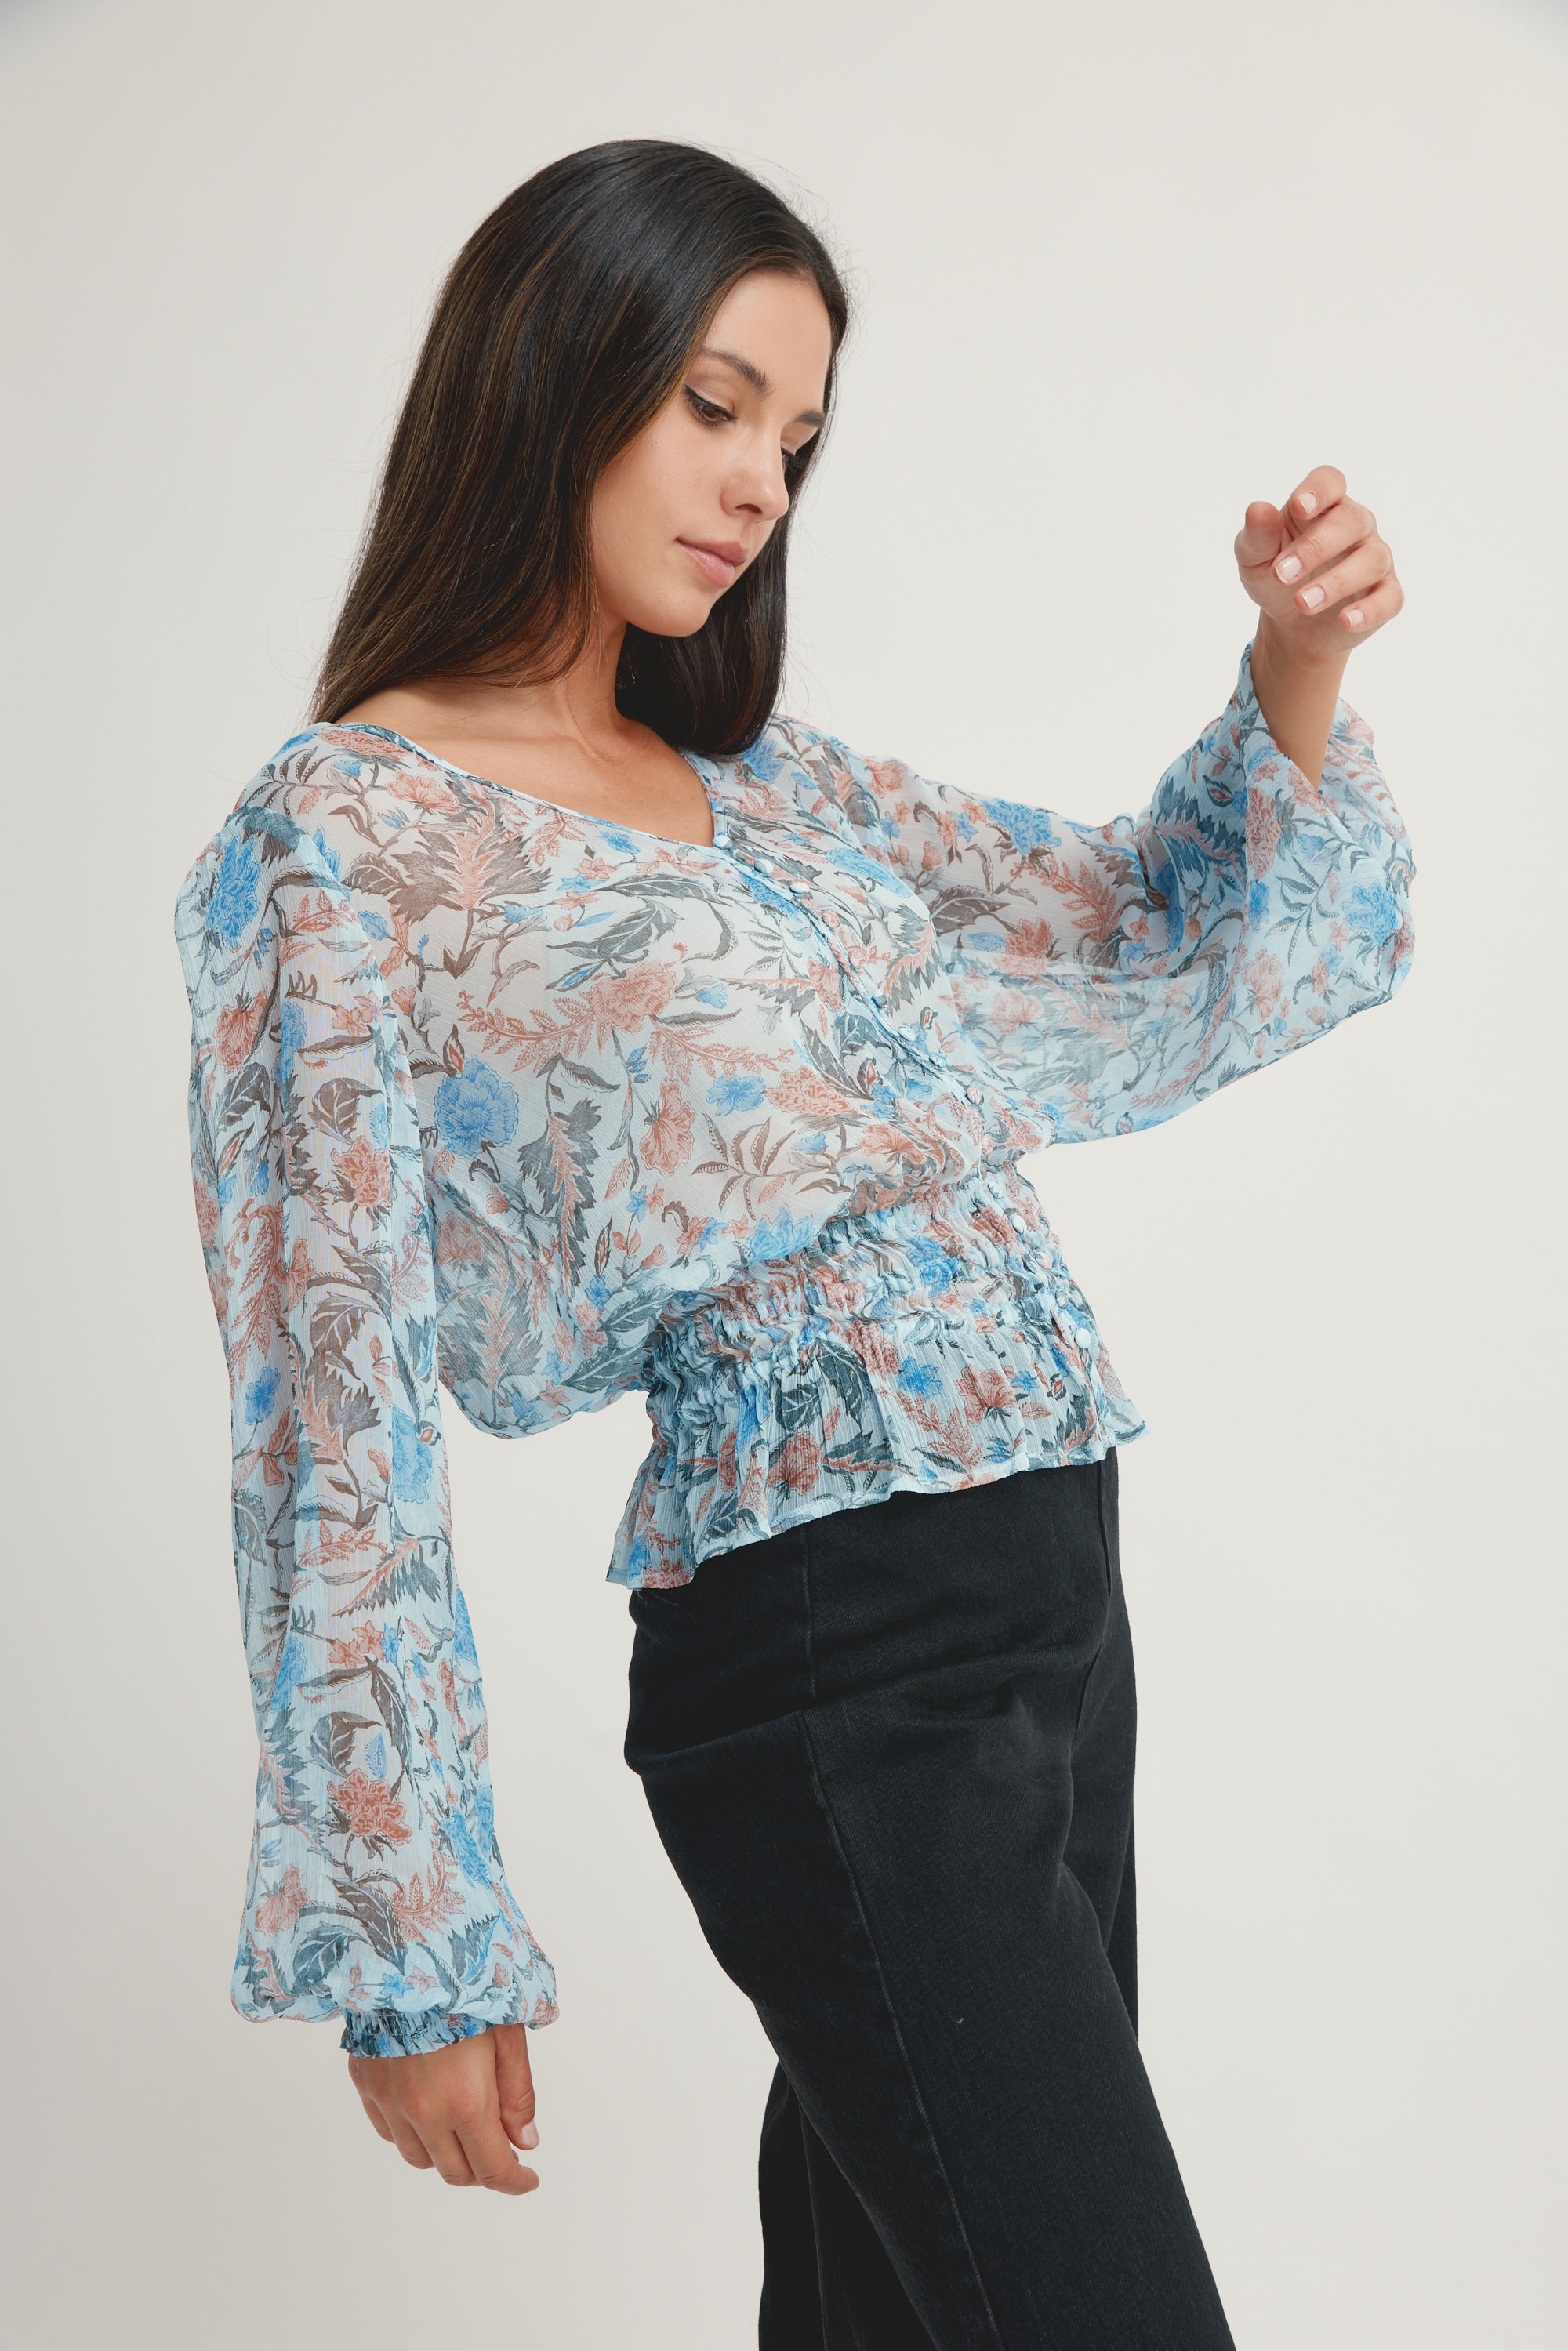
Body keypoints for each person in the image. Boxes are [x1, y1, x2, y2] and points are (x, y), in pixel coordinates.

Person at [174, 137, 1413, 2347]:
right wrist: (414, 1932)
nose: (759, 480)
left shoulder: (768, 785)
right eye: (716, 403)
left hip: (1048, 1594)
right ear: (559, 368)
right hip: (838, 1652)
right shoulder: (348, 836)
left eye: (801, 439)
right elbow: (323, 1393)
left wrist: (1293, 653)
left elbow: (1145, 920)